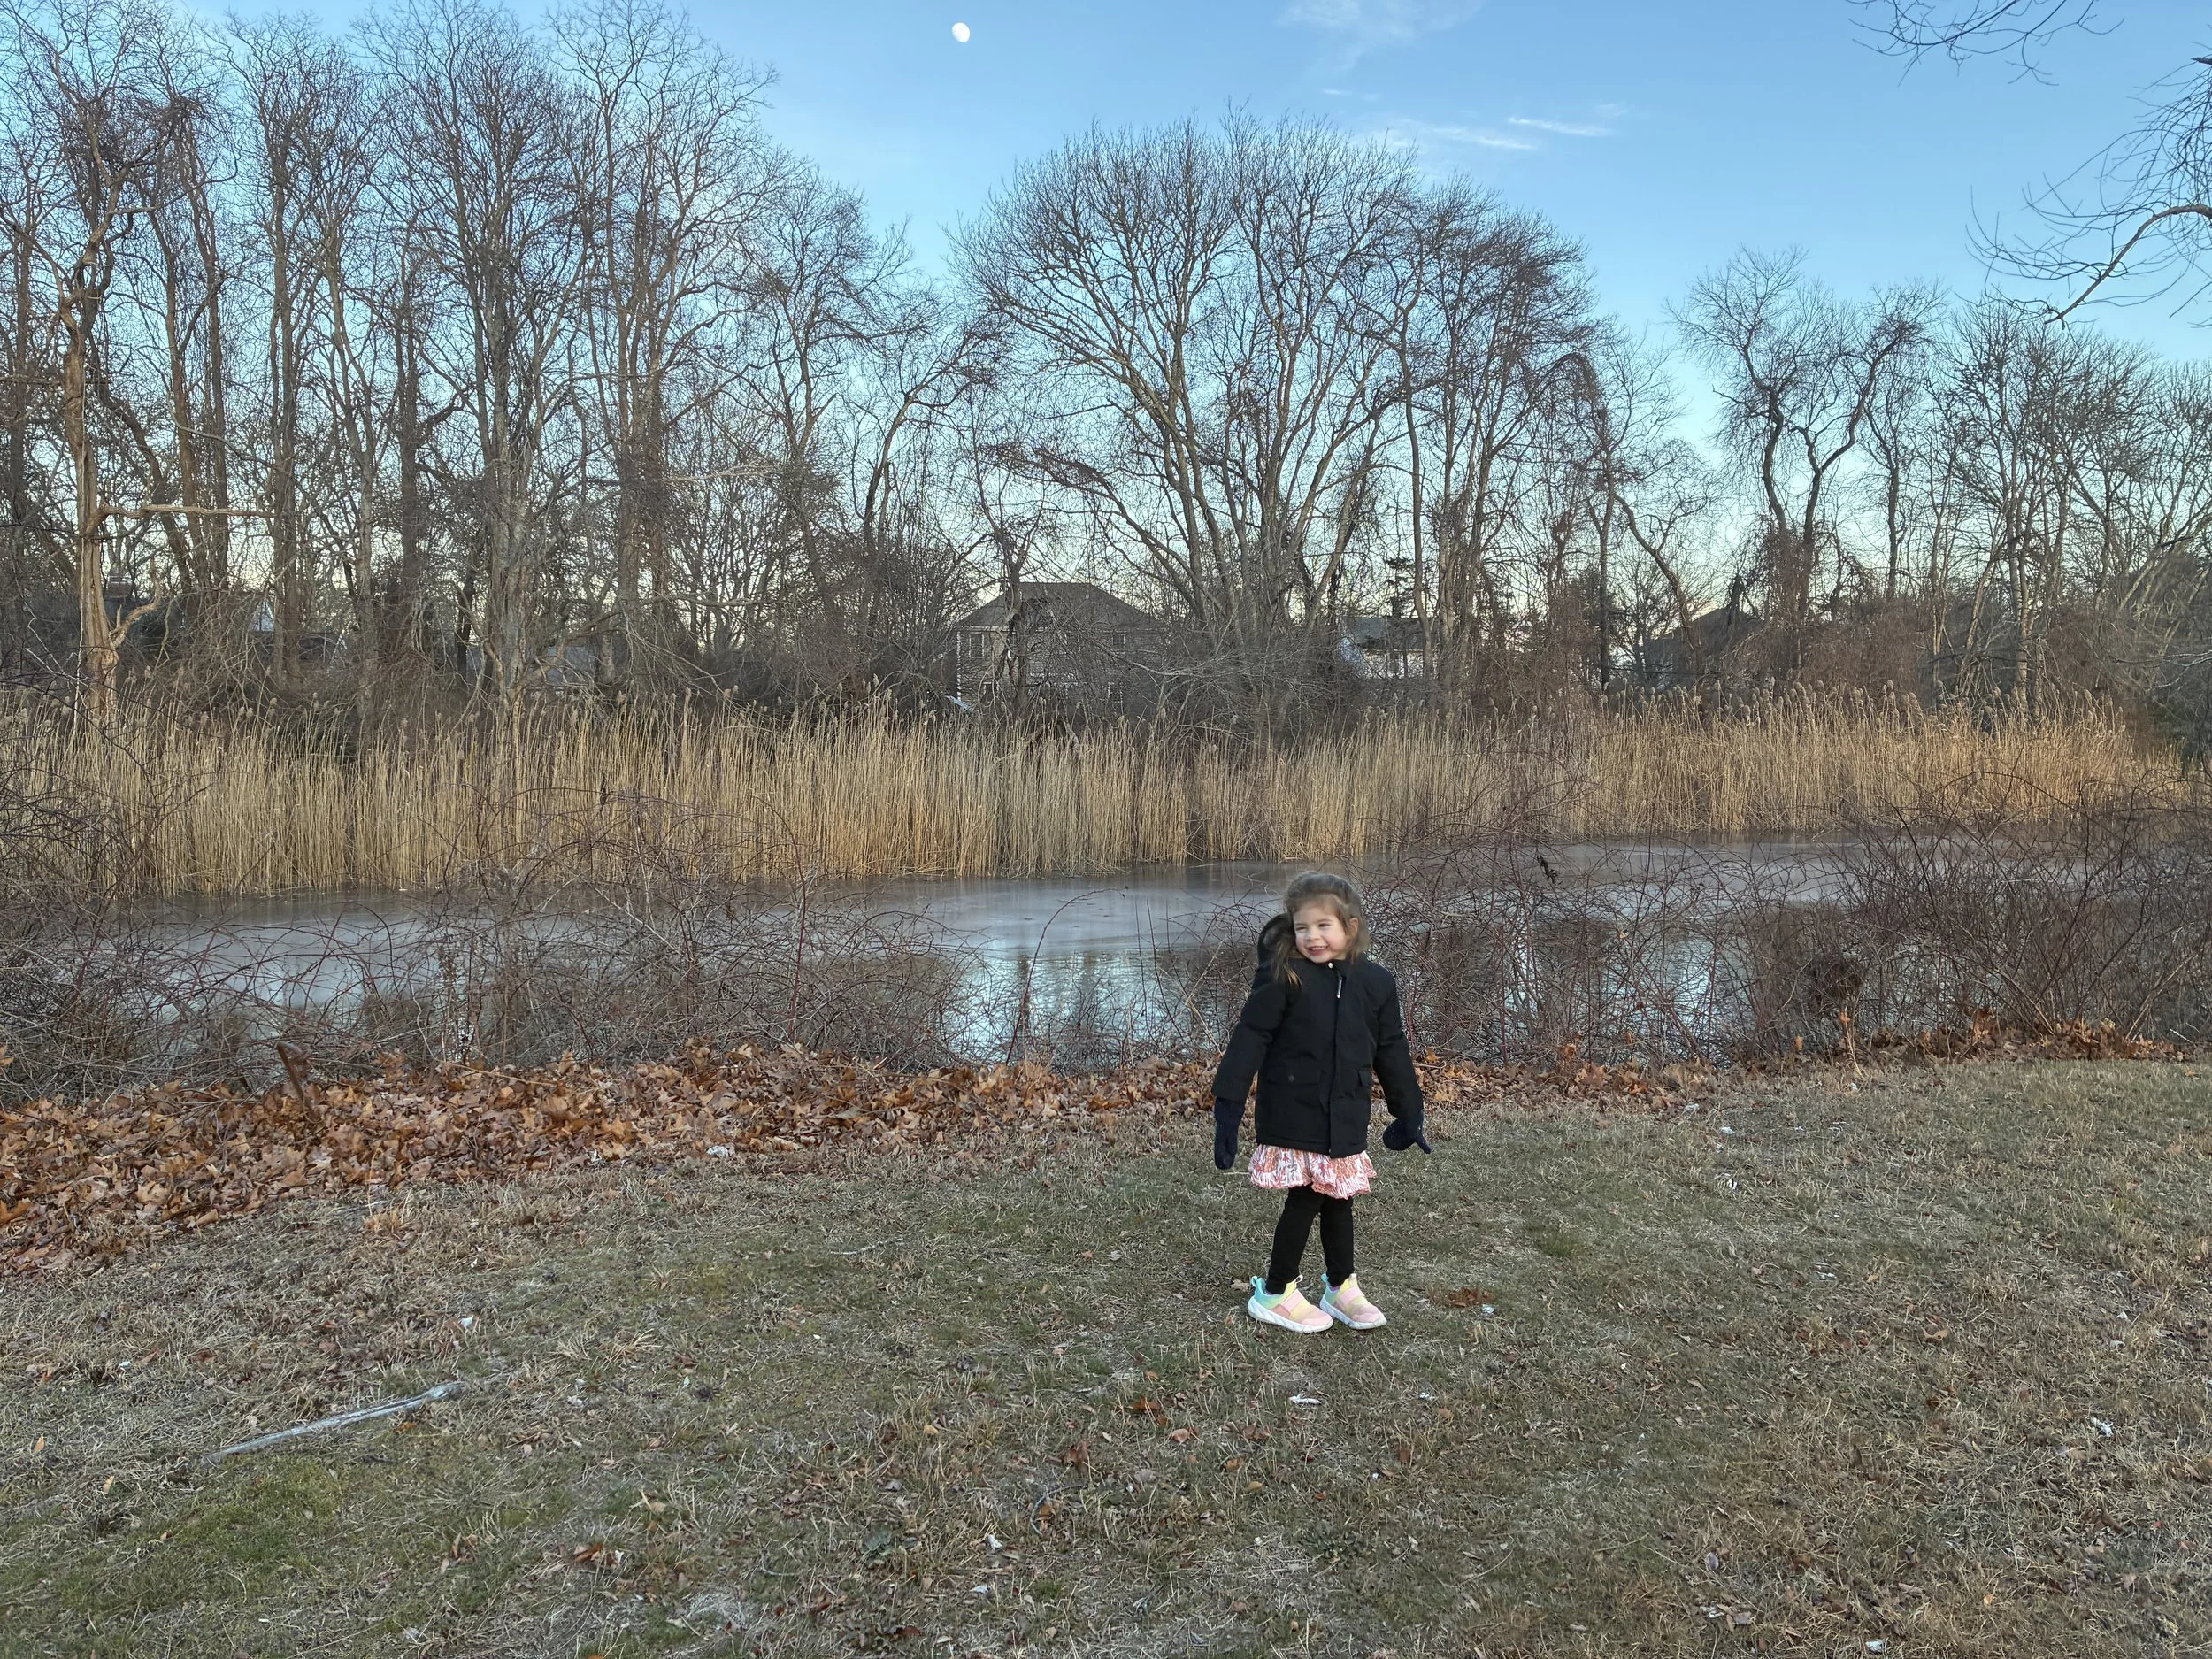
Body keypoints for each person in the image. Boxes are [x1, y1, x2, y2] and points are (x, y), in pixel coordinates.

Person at [1211, 872, 1428, 1333]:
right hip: (1295, 1110)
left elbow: (1391, 1048)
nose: (1311, 937)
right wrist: (1228, 1106)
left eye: (1322, 926)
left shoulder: (1375, 983)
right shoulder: (1284, 977)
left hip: (1346, 1112)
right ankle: (1275, 1291)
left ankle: (1341, 1286)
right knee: (1306, 1197)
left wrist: (1408, 1110)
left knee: (1340, 1199)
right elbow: (1250, 1039)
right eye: (1302, 927)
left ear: (1349, 926)